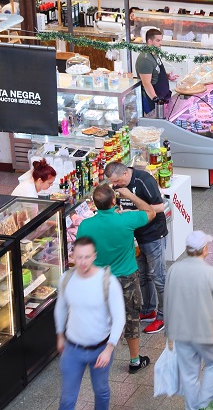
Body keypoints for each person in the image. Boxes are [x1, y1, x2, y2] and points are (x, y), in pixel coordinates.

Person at [76, 183, 156, 374]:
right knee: (131, 318)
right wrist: (129, 194)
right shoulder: (126, 219)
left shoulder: (86, 225)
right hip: (126, 277)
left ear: (95, 205)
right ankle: (135, 360)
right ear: (114, 201)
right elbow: (150, 211)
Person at [165, 230, 213, 410]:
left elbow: (167, 302)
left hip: (182, 333)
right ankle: (205, 405)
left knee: (189, 374)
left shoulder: (174, 269)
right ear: (204, 249)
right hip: (207, 334)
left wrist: (169, 332)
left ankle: (192, 408)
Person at [55, 237, 125, 410]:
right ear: (72, 257)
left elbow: (119, 317)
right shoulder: (66, 279)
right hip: (73, 348)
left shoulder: (108, 281)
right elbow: (61, 308)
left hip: (100, 348)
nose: (83, 262)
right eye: (79, 257)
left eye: (87, 257)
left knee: (101, 391)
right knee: (67, 399)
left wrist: (109, 349)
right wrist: (60, 335)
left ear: (94, 256)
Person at [104, 162, 168, 334]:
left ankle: (164, 317)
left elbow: (160, 207)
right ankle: (148, 310)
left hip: (153, 235)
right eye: (113, 183)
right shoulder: (119, 185)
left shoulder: (143, 180)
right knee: (143, 275)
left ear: (125, 173)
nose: (116, 186)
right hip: (136, 237)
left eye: (117, 182)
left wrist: (131, 200)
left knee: (158, 276)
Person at [136, 28, 178, 116]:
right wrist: (156, 99)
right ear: (149, 41)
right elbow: (146, 83)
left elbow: (155, 72)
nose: (161, 43)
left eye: (161, 40)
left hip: (162, 96)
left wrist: (167, 76)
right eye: (158, 40)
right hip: (153, 99)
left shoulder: (154, 53)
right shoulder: (145, 59)